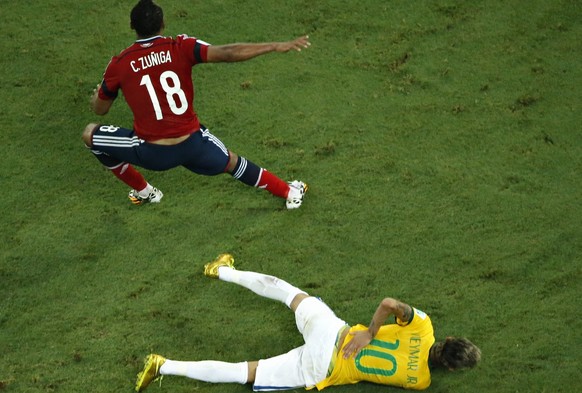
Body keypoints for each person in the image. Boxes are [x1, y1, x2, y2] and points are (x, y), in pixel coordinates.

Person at [135, 254, 481, 392]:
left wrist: (370, 333)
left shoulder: (423, 326)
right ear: (448, 369)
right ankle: (163, 366)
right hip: (323, 370)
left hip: (333, 333)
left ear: (449, 338)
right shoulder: (419, 382)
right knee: (246, 371)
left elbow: (390, 304)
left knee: (289, 294)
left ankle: (221, 269)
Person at [82, 0, 309, 208]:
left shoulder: (120, 64)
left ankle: (145, 191)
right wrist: (275, 46)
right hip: (193, 145)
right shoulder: (181, 46)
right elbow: (228, 53)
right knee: (231, 162)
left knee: (90, 134)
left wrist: (95, 97)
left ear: (132, 27)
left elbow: (100, 109)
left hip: (152, 153)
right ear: (163, 23)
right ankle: (290, 193)